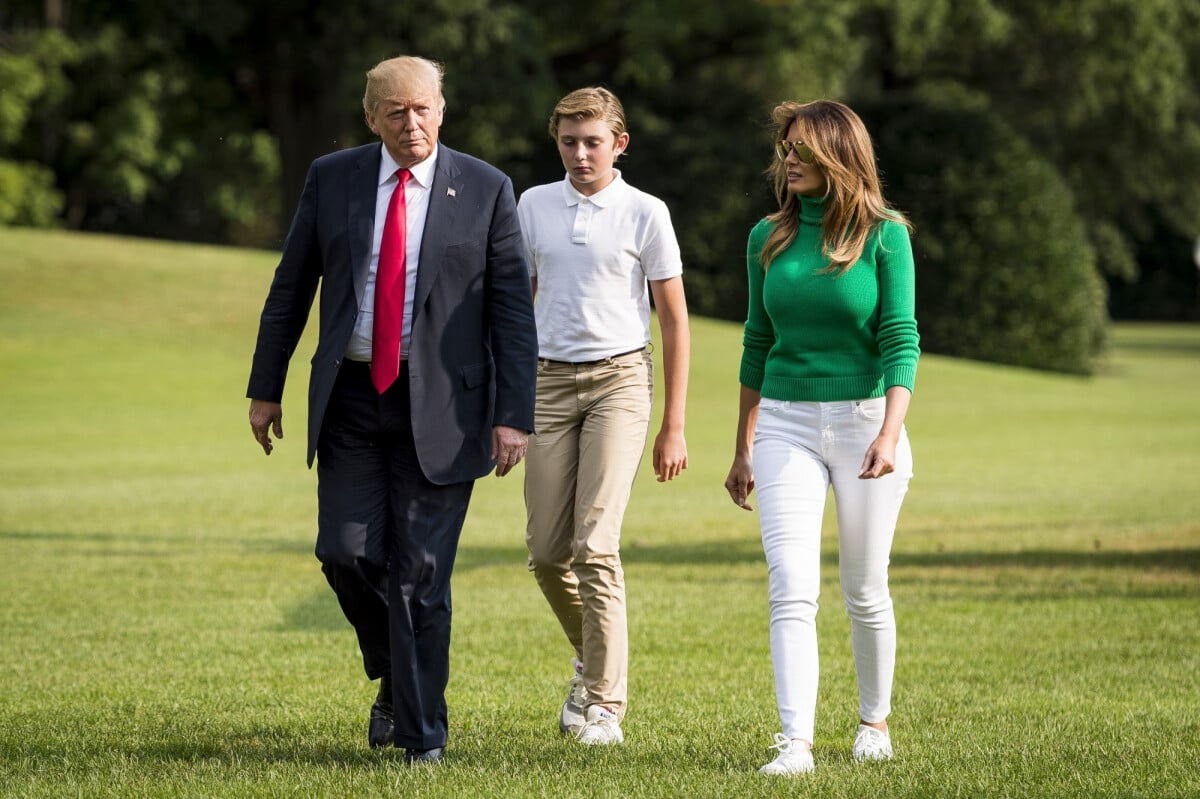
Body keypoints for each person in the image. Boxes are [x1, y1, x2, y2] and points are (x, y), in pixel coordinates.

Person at [246, 55, 537, 764]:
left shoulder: (488, 188)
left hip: (445, 407)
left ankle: (420, 736)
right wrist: (265, 385)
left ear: (443, 108)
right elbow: (292, 286)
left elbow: (511, 311)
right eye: (397, 112)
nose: (414, 124)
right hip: (349, 397)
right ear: (371, 117)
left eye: (425, 108)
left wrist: (513, 413)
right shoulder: (332, 178)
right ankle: (396, 669)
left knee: (421, 574)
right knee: (344, 553)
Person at [723, 99, 919, 775]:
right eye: (785, 147)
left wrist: (891, 433)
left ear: (838, 153)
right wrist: (742, 445)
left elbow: (900, 339)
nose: (787, 158)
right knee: (791, 584)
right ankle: (795, 743)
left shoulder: (886, 235)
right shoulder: (766, 238)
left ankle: (874, 722)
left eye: (800, 148)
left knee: (864, 587)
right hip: (785, 425)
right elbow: (757, 341)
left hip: (868, 424)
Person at [516, 87, 690, 745]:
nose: (580, 153)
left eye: (593, 141)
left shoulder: (646, 212)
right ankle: (592, 658)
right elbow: (520, 301)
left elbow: (673, 319)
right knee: (545, 553)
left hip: (621, 381)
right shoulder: (533, 205)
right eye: (569, 141)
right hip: (546, 386)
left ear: (620, 143)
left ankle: (605, 706)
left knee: (595, 544)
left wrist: (673, 423)